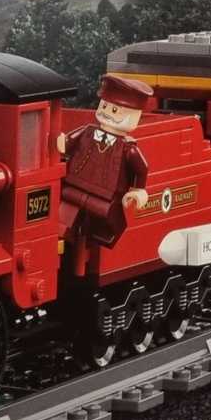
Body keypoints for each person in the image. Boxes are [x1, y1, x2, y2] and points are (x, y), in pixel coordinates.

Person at [56, 74, 154, 275]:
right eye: (105, 106)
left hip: (106, 197)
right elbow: (68, 143)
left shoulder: (128, 149)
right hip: (74, 187)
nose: (108, 113)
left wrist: (138, 190)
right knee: (63, 219)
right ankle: (64, 239)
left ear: (134, 116)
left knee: (104, 223)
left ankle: (88, 242)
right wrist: (61, 143)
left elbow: (141, 169)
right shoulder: (87, 131)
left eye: (115, 110)